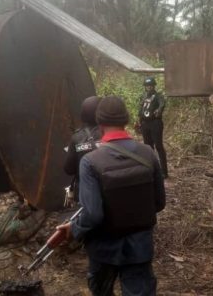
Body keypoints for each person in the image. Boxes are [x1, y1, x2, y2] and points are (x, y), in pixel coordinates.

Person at [58, 96, 166, 296]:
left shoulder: (90, 162)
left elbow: (93, 215)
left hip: (103, 249)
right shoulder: (148, 154)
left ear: (99, 122)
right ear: (126, 119)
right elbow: (159, 203)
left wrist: (74, 228)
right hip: (140, 247)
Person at [63, 96, 102, 205]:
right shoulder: (109, 132)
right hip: (111, 187)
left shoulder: (76, 137)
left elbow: (68, 169)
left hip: (87, 193)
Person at [137, 77, 168, 178]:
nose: (149, 87)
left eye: (150, 85)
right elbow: (141, 109)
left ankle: (164, 172)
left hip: (155, 123)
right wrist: (139, 121)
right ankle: (151, 170)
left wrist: (159, 110)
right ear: (145, 87)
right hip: (145, 124)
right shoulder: (143, 96)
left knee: (159, 146)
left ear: (154, 86)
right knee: (148, 148)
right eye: (147, 86)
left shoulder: (158, 96)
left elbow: (162, 104)